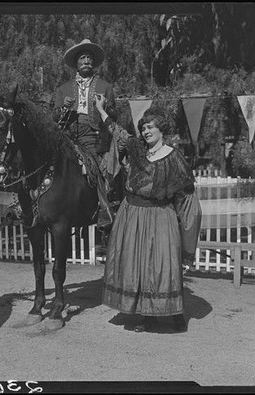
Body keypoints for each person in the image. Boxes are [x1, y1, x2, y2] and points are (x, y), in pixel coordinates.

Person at [98, 102, 202, 333]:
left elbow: (187, 201)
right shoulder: (136, 149)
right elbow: (117, 131)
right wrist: (101, 109)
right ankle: (147, 316)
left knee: (163, 265)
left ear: (161, 130)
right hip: (131, 214)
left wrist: (188, 241)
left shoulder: (174, 158)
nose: (146, 132)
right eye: (143, 128)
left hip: (160, 216)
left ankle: (174, 313)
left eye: (150, 127)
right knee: (138, 264)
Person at [52, 38, 119, 229]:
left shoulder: (105, 86)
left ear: (93, 63)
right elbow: (54, 117)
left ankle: (105, 211)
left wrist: (105, 106)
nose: (86, 61)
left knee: (97, 168)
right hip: (68, 135)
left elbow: (114, 114)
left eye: (89, 58)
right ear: (76, 63)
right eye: (82, 58)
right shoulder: (63, 89)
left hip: (94, 135)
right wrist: (63, 108)